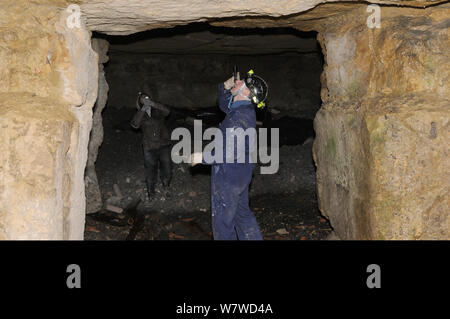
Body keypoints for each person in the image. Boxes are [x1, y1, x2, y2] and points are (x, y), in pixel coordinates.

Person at [190, 70, 268, 240]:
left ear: (246, 92)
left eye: (241, 84)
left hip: (228, 175)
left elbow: (227, 153)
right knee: (242, 215)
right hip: (243, 172)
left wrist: (201, 158)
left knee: (223, 223)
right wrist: (224, 87)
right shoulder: (245, 109)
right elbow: (226, 105)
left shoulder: (237, 119)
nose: (236, 83)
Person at [130, 92, 172, 200]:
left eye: (147, 98)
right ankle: (151, 192)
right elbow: (135, 124)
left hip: (163, 144)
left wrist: (153, 104)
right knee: (150, 170)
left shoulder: (158, 110)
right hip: (149, 147)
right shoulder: (140, 113)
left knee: (167, 167)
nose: (146, 100)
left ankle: (166, 186)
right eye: (143, 99)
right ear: (139, 102)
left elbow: (167, 111)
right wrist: (143, 108)